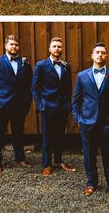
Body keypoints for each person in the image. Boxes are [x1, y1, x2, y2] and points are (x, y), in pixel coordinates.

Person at [72, 42, 109, 197]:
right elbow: (76, 100)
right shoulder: (82, 76)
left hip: (108, 123)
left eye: (103, 52)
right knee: (89, 155)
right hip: (88, 122)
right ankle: (91, 183)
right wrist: (79, 119)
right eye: (97, 52)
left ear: (106, 55)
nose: (100, 55)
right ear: (92, 56)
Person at [0, 35, 32, 173]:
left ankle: (20, 158)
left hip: (19, 106)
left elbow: (29, 85)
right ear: (6, 46)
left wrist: (26, 102)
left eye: (16, 45)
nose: (14, 47)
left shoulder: (25, 64)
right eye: (11, 44)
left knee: (18, 133)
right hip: (1, 105)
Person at [31, 37, 75, 176]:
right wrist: (40, 105)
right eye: (54, 46)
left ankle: (58, 160)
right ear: (49, 49)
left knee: (60, 135)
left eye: (59, 47)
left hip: (62, 107)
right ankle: (46, 164)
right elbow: (35, 88)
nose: (57, 49)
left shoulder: (66, 66)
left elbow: (68, 88)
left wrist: (68, 104)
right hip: (47, 107)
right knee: (47, 137)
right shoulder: (41, 65)